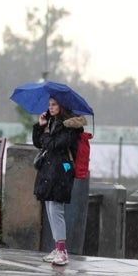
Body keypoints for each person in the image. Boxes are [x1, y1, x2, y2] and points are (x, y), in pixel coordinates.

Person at [33, 97, 88, 266]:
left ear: (62, 106)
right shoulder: (51, 122)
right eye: (49, 105)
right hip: (50, 171)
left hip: (62, 171)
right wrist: (40, 126)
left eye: (54, 104)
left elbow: (56, 145)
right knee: (50, 208)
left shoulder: (70, 126)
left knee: (57, 209)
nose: (51, 107)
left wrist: (47, 134)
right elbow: (38, 143)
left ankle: (62, 251)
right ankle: (57, 248)